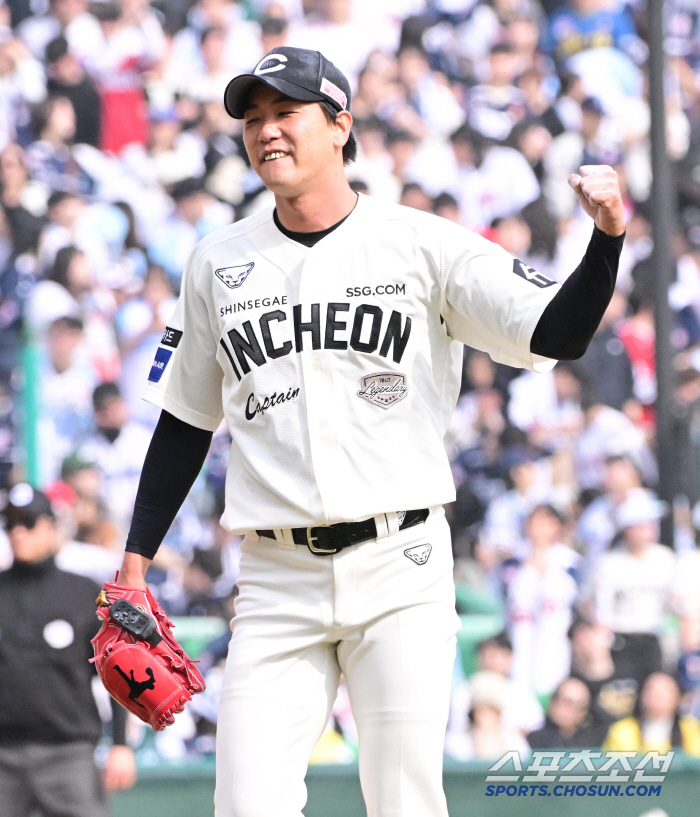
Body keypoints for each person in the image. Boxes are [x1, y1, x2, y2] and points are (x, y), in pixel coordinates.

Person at [110, 46, 626, 817]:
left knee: (404, 800)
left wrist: (607, 238)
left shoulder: (422, 242)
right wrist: (134, 564)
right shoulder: (217, 261)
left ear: (339, 125)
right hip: (276, 575)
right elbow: (185, 420)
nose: (266, 130)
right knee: (244, 803)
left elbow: (558, 332)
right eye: (253, 118)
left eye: (285, 112)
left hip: (400, 563)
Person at [0, 484, 136, 817]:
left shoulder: (84, 593)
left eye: (28, 522)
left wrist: (120, 745)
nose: (18, 532)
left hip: (68, 754)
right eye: (10, 523)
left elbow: (116, 671)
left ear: (52, 526)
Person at [604, 672, 700, 757]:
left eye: (665, 691)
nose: (657, 695)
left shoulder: (690, 729)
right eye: (651, 690)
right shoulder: (623, 730)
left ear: (678, 697)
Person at [527, 676, 609, 749]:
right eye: (567, 702)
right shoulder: (533, 738)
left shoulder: (594, 740)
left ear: (584, 712)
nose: (559, 704)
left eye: (567, 702)